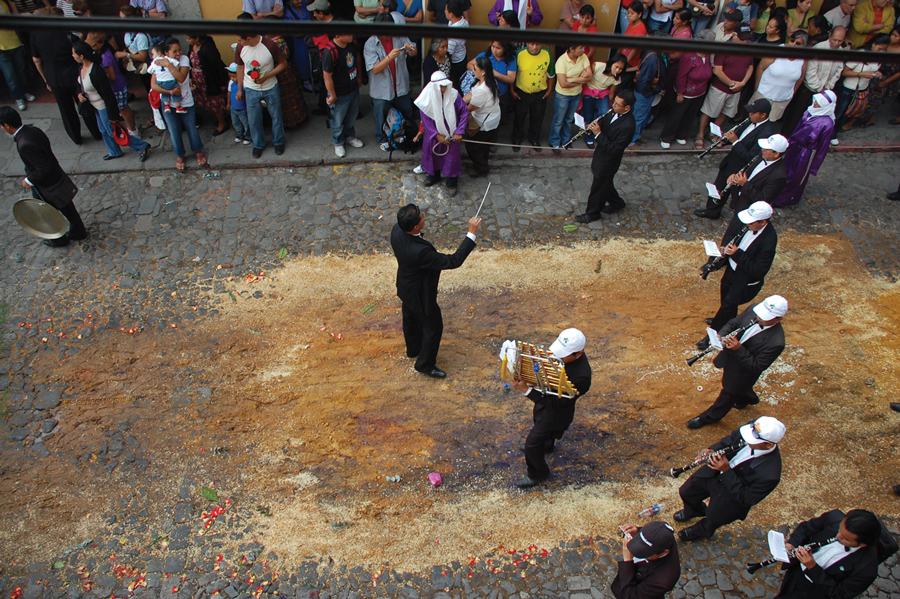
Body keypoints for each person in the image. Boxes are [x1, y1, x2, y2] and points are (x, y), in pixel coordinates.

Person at [390, 204, 482, 379]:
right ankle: (424, 363)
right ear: (415, 227)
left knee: (409, 318)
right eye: (421, 216)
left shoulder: (397, 231)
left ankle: (413, 349)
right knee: (433, 328)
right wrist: (471, 233)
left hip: (405, 286)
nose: (424, 215)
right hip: (421, 294)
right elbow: (454, 260)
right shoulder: (420, 252)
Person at [675, 416, 784, 540]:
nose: (747, 439)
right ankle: (694, 511)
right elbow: (731, 439)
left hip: (730, 495)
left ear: (768, 445)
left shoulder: (770, 475)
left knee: (714, 517)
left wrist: (726, 471)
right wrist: (712, 449)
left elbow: (746, 498)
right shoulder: (752, 429)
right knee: (687, 491)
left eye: (752, 440)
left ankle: (700, 531)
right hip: (713, 473)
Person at [509, 328, 592, 488]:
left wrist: (527, 390)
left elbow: (557, 403)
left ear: (578, 354)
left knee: (532, 444)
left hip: (556, 414)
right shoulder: (567, 357)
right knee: (539, 420)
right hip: (546, 404)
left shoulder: (581, 378)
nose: (556, 356)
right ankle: (547, 446)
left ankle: (538, 473)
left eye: (563, 353)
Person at [689, 295, 787, 428]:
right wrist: (721, 334)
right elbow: (734, 323)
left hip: (743, 371)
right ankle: (748, 397)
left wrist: (738, 349)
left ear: (778, 319)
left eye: (765, 317)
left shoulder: (776, 343)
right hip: (730, 357)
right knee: (740, 388)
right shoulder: (754, 309)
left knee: (729, 392)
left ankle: (709, 417)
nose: (759, 318)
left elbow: (757, 366)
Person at [698, 199, 781, 347]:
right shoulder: (747, 224)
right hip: (732, 270)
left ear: (762, 223)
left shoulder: (769, 240)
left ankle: (714, 334)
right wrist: (725, 250)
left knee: (728, 305)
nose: (747, 225)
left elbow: (759, 270)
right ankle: (725, 318)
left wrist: (737, 254)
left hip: (745, 281)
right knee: (726, 301)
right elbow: (734, 235)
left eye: (752, 223)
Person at [0, 106, 86, 248]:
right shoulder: (34, 131)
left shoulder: (24, 144)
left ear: (7, 126)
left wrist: (29, 180)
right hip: (55, 177)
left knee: (46, 212)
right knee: (66, 205)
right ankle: (78, 231)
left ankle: (59, 239)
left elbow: (42, 168)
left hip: (46, 185)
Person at [774, 510, 896, 599]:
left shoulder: (866, 570)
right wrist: (792, 543)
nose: (838, 537)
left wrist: (813, 568)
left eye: (845, 538)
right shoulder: (834, 518)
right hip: (796, 572)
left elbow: (840, 594)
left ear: (863, 544)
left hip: (814, 592)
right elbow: (807, 528)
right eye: (839, 530)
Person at [30, 8, 101, 145]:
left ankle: (76, 137)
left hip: (54, 77)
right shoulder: (65, 31)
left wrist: (45, 78)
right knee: (84, 103)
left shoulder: (35, 33)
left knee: (66, 110)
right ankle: (96, 132)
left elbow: (37, 60)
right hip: (73, 74)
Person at [72, 41, 151, 163]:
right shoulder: (81, 68)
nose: (73, 56)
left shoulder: (97, 71)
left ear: (81, 56)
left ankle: (141, 146)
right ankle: (114, 151)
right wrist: (79, 94)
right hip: (94, 106)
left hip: (103, 106)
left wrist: (113, 115)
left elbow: (108, 95)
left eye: (74, 53)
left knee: (113, 130)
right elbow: (79, 84)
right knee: (103, 130)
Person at [695, 100, 773, 220]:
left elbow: (751, 157)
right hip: (730, 162)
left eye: (753, 112)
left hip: (741, 170)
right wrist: (725, 140)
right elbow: (739, 134)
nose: (750, 114)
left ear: (763, 115)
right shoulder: (750, 121)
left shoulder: (766, 132)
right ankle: (711, 212)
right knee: (718, 187)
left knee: (737, 196)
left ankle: (742, 217)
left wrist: (735, 141)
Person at [575, 90, 636, 223]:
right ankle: (617, 203)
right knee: (605, 185)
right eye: (614, 102)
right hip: (601, 156)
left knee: (598, 188)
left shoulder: (628, 126)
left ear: (627, 107)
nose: (613, 105)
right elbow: (604, 125)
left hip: (608, 162)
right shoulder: (613, 112)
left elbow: (614, 149)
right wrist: (591, 128)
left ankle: (592, 213)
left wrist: (598, 134)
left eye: (618, 104)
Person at [151, 38, 206, 171]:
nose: (178, 53)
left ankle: (198, 151)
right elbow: (154, 85)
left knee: (191, 128)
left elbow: (181, 77)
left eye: (179, 49)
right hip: (168, 103)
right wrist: (169, 91)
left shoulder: (183, 60)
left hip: (185, 102)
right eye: (174, 51)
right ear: (166, 52)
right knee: (174, 131)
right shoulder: (158, 63)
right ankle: (180, 155)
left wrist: (168, 64)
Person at [779, 25, 844, 136]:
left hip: (824, 92)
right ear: (830, 36)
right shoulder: (819, 48)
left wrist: (827, 87)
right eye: (835, 40)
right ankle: (785, 138)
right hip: (809, 89)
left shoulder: (841, 52)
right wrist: (819, 88)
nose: (837, 43)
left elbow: (838, 71)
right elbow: (810, 72)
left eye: (840, 41)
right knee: (796, 116)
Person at [365, 14, 418, 152]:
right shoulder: (370, 43)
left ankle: (405, 135)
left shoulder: (399, 36)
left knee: (407, 112)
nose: (384, 35)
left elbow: (414, 53)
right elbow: (375, 69)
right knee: (380, 116)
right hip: (381, 90)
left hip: (400, 86)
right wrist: (389, 58)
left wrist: (410, 48)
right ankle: (382, 139)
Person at [774, 91, 836, 206]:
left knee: (795, 177)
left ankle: (784, 199)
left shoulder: (827, 124)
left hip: (806, 153)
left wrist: (814, 166)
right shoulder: (810, 111)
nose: (815, 103)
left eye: (819, 102)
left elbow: (823, 146)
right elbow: (798, 127)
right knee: (784, 170)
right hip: (795, 147)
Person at [235, 30, 288, 158]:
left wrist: (267, 76)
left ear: (248, 38)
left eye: (240, 40)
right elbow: (240, 67)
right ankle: (258, 144)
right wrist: (240, 89)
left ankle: (279, 141)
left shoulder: (269, 44)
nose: (238, 42)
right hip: (251, 88)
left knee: (276, 116)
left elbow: (283, 64)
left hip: (270, 87)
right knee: (254, 119)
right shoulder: (240, 48)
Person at [698, 26, 754, 145]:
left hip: (737, 89)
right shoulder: (724, 48)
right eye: (742, 39)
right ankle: (700, 133)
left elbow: (750, 66)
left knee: (727, 111)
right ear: (734, 35)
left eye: (747, 39)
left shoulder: (749, 49)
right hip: (720, 87)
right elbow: (718, 70)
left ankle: (713, 131)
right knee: (709, 111)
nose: (745, 42)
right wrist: (732, 83)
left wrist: (743, 83)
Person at [659, 29, 714, 149]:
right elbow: (681, 75)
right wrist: (680, 92)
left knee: (690, 115)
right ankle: (667, 137)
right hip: (685, 91)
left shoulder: (708, 55)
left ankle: (681, 135)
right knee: (677, 115)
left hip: (700, 91)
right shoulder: (689, 55)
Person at [416, 72, 467, 194]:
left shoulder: (454, 95)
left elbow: (464, 112)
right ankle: (434, 176)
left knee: (451, 159)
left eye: (445, 86)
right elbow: (426, 120)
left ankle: (451, 182)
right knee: (432, 157)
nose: (443, 89)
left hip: (452, 135)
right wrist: (437, 135)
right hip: (433, 136)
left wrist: (459, 131)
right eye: (440, 87)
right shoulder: (426, 98)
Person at [830, 36, 887, 144]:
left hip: (862, 90)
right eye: (880, 49)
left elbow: (874, 68)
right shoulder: (860, 54)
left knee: (847, 113)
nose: (881, 51)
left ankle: (834, 134)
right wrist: (861, 74)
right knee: (838, 113)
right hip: (849, 89)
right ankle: (826, 134)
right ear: (873, 44)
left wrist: (877, 73)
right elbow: (845, 72)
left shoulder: (878, 57)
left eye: (884, 50)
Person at [261, 15, 309, 129]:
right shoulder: (285, 37)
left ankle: (290, 123)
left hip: (281, 74)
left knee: (286, 99)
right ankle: (300, 118)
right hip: (289, 71)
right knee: (294, 97)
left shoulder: (275, 43)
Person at [749, 30, 808, 121]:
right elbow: (760, 67)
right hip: (763, 94)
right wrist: (757, 89)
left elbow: (800, 78)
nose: (793, 44)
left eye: (798, 43)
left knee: (769, 123)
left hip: (782, 99)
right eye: (792, 40)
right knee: (752, 119)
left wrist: (792, 93)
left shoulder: (803, 59)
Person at [611, 522, 680, 599]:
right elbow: (652, 536)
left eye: (645, 553)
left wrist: (627, 562)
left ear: (664, 552)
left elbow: (631, 596)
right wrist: (637, 531)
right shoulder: (663, 535)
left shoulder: (663, 580)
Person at [321, 32, 362, 158]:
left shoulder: (352, 44)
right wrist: (332, 95)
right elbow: (327, 76)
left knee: (352, 115)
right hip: (339, 93)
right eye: (346, 33)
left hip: (353, 88)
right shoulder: (330, 52)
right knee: (337, 120)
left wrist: (359, 77)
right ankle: (338, 142)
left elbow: (357, 58)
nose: (351, 35)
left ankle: (349, 136)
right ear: (337, 35)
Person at [510, 42, 554, 152]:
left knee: (537, 117)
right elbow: (512, 73)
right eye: (532, 44)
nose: (534, 47)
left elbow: (551, 74)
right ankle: (517, 139)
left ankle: (534, 138)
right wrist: (512, 90)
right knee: (519, 117)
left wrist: (549, 90)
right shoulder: (519, 54)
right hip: (522, 92)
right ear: (527, 43)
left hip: (540, 93)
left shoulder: (547, 54)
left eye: (538, 44)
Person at [548, 44, 591, 152]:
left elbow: (589, 76)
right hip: (563, 95)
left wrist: (571, 79)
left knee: (569, 119)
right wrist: (581, 78)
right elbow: (563, 84)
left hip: (576, 94)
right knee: (559, 120)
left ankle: (565, 140)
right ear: (572, 49)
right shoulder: (562, 61)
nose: (583, 50)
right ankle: (554, 142)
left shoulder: (583, 57)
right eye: (580, 48)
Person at [185, 34, 229, 137]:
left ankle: (222, 123)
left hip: (210, 82)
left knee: (215, 103)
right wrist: (191, 77)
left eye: (189, 38)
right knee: (207, 101)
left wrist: (222, 83)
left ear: (197, 37)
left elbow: (218, 66)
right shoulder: (192, 47)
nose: (187, 40)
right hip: (198, 81)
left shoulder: (207, 49)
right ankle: (221, 118)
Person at [464, 55, 501, 177]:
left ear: (483, 71)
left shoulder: (483, 90)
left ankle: (481, 168)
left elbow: (470, 107)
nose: (473, 70)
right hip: (490, 118)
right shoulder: (486, 82)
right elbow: (470, 94)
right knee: (483, 145)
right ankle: (482, 163)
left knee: (474, 146)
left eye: (475, 69)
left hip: (484, 122)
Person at [580, 55, 625, 149]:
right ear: (611, 64)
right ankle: (588, 136)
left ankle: (593, 126)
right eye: (616, 66)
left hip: (602, 93)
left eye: (621, 69)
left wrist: (609, 105)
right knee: (588, 115)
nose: (617, 70)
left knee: (604, 113)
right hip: (589, 91)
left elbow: (612, 92)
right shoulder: (598, 66)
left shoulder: (617, 79)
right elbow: (586, 75)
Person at [0, 0, 36, 111]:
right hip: (1, 49)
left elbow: (15, 19)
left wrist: (21, 41)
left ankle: (24, 92)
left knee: (20, 71)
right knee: (10, 75)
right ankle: (18, 97)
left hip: (15, 43)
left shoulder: (5, 3)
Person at [629, 39, 666, 146]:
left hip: (648, 92)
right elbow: (645, 79)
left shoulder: (656, 53)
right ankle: (630, 141)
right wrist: (648, 92)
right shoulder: (653, 57)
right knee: (638, 117)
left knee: (643, 116)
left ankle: (637, 136)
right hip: (645, 92)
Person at [148, 44, 184, 114]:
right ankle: (178, 107)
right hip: (171, 81)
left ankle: (167, 106)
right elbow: (177, 64)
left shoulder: (154, 62)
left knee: (164, 93)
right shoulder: (169, 59)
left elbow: (149, 70)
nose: (152, 56)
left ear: (158, 53)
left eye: (153, 54)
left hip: (160, 82)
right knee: (176, 91)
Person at [446, 0, 469, 89]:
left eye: (446, 10)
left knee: (455, 86)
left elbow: (449, 53)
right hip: (462, 56)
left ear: (451, 14)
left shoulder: (453, 34)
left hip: (455, 63)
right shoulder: (464, 22)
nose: (444, 11)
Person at [226, 63, 250, 144]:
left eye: (234, 76)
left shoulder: (244, 83)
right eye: (230, 76)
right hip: (233, 108)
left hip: (243, 109)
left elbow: (247, 96)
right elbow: (229, 92)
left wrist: (243, 97)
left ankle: (248, 135)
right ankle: (240, 133)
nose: (232, 79)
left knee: (246, 123)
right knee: (235, 122)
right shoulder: (231, 83)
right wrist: (228, 103)